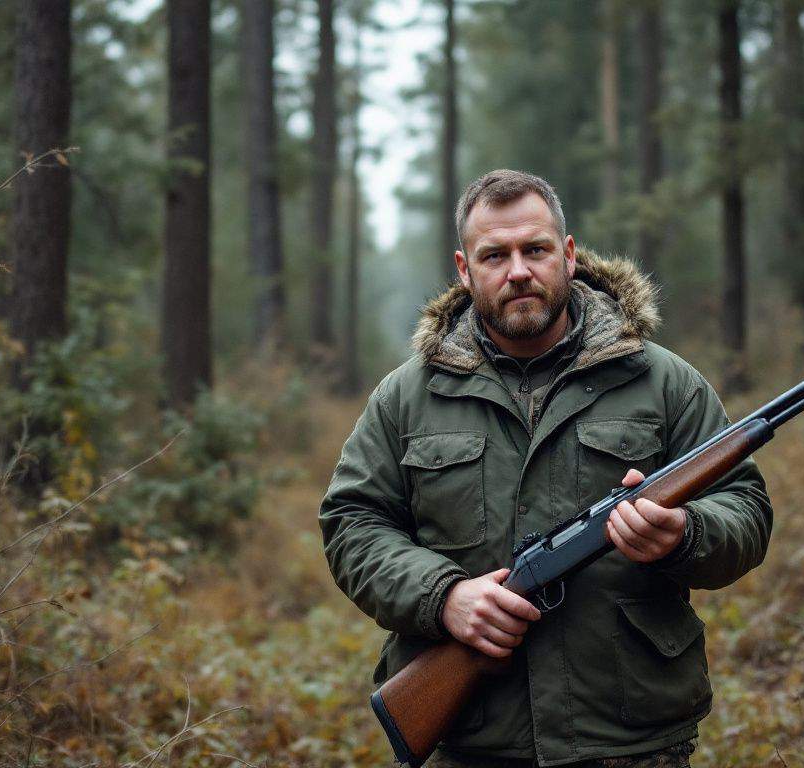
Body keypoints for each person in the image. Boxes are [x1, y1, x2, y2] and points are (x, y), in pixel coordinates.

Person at [319, 169, 772, 767]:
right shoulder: (406, 397)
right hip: (475, 745)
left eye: (534, 250)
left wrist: (685, 534)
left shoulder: (663, 382)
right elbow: (353, 522)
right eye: (494, 255)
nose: (518, 272)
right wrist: (444, 596)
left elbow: (745, 508)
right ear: (463, 268)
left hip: (631, 741)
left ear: (568, 253)